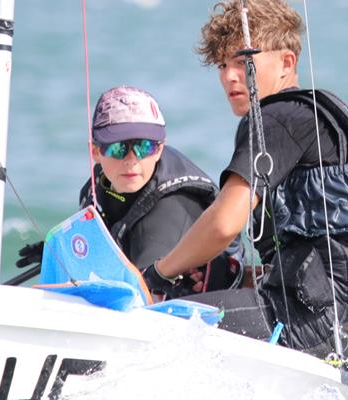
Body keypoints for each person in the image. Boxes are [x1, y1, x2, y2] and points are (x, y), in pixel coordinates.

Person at [143, 0, 348, 372]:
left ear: (286, 62)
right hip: (338, 328)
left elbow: (225, 223)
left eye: (244, 61)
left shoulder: (275, 117)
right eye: (222, 64)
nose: (229, 76)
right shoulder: (319, 118)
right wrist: (241, 275)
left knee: (154, 325)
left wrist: (159, 272)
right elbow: (333, 249)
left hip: (304, 321)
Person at [16, 85, 242, 295]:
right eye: (118, 148)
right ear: (95, 151)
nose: (132, 160)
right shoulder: (101, 184)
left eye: (145, 147)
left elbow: (137, 299)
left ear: (159, 149)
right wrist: (66, 252)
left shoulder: (172, 206)